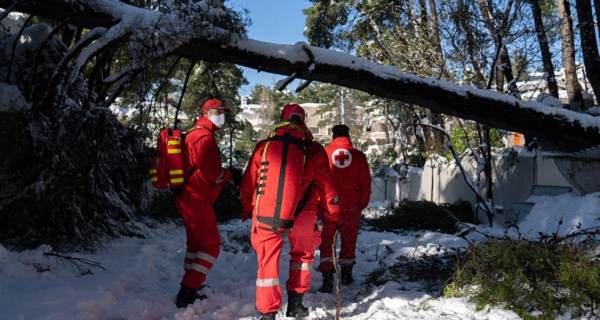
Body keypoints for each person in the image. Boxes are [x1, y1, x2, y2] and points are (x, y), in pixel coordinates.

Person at [240, 104, 340, 320]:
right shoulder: (314, 149)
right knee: (302, 257)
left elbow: (249, 181)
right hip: (305, 213)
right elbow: (326, 185)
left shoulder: (264, 146)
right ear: (304, 122)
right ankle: (295, 304)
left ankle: (268, 313)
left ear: (281, 120)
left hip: (268, 212)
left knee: (267, 260)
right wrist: (333, 214)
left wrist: (247, 207)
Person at [174, 98, 234, 308]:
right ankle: (187, 290)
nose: (221, 116)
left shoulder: (193, 133)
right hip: (196, 198)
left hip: (186, 196)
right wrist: (229, 174)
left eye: (223, 112)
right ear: (207, 113)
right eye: (218, 112)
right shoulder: (203, 137)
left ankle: (191, 285)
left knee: (196, 245)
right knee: (211, 246)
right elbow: (212, 173)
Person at [317, 124, 371, 293]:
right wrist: (359, 206)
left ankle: (327, 280)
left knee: (326, 242)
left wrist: (319, 204)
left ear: (333, 136)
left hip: (327, 207)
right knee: (349, 242)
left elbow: (317, 182)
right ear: (348, 135)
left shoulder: (323, 153)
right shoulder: (359, 156)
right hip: (351, 208)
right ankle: (346, 276)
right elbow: (366, 184)